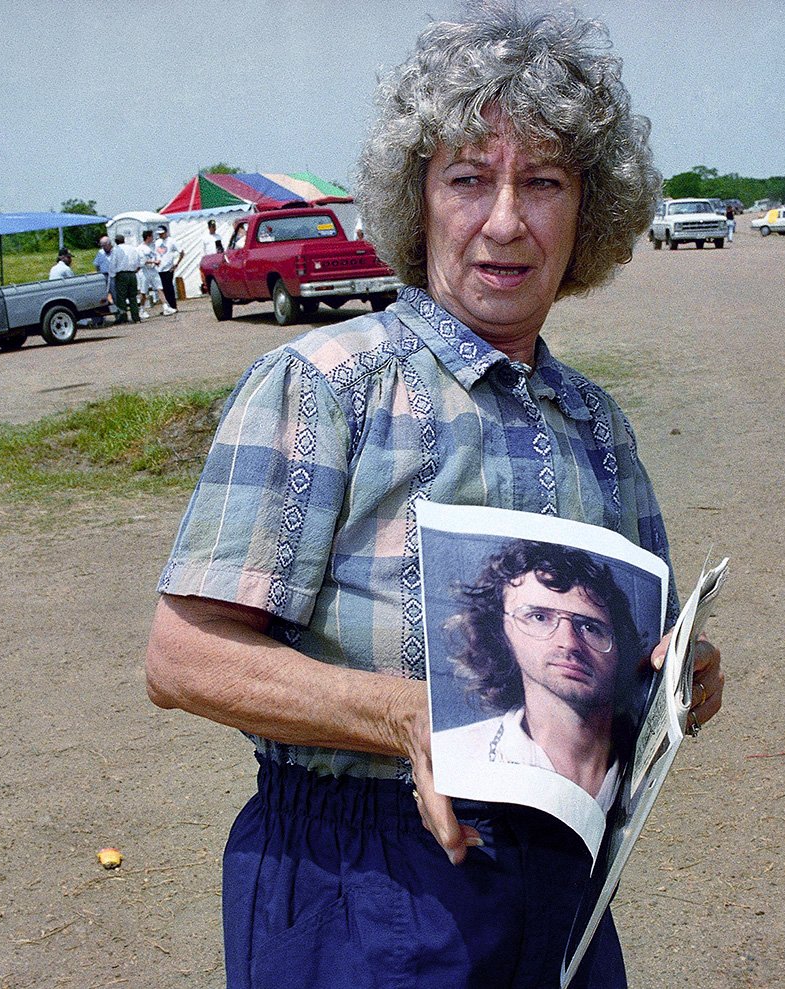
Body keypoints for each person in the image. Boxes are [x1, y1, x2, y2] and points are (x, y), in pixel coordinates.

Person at [145, 4, 723, 986]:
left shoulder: (597, 424)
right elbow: (182, 655)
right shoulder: (327, 385)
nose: (505, 220)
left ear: (588, 211)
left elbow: (630, 653)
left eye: (543, 182)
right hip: (355, 879)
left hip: (561, 887)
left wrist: (676, 676)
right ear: (419, 201)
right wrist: (408, 714)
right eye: (469, 178)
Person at [434, 540, 646, 807]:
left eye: (590, 627)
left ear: (621, 648)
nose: (568, 643)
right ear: (501, 632)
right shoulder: (451, 756)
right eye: (538, 617)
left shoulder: (649, 762)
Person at [109, 234, 142, 324]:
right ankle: (136, 317)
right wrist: (136, 269)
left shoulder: (116, 250)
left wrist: (112, 275)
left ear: (116, 241)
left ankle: (124, 318)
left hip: (121, 274)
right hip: (132, 274)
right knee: (133, 296)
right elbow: (138, 261)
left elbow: (113, 264)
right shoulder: (132, 248)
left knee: (121, 297)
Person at [155, 226, 181, 314]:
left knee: (169, 287)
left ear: (166, 232)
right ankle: (167, 307)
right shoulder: (157, 242)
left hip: (168, 268)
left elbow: (181, 252)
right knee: (163, 288)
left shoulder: (171, 241)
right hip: (159, 268)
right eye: (159, 234)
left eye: (162, 233)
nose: (160, 235)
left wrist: (176, 263)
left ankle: (173, 306)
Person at [138, 229, 161, 315]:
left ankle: (166, 306)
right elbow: (142, 261)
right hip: (144, 272)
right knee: (143, 292)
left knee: (159, 288)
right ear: (148, 237)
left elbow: (154, 256)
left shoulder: (152, 246)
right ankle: (142, 309)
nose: (153, 238)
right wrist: (154, 262)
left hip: (153, 270)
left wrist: (156, 261)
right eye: (151, 236)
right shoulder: (140, 248)